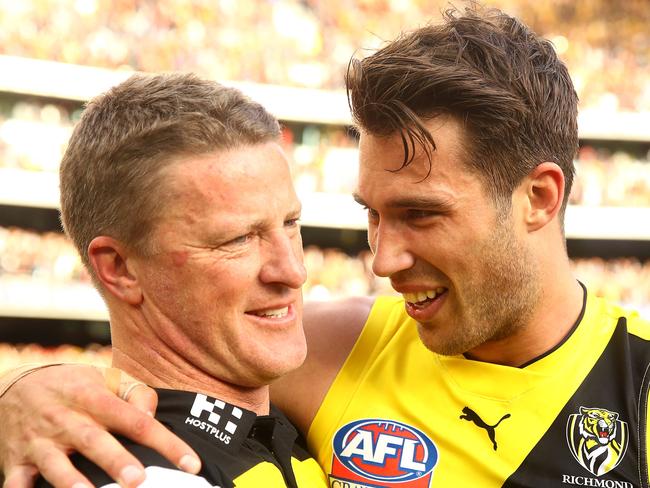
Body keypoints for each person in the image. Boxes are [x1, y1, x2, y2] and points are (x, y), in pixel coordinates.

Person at [2, 5, 649, 488]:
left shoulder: (636, 386)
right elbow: (169, 359)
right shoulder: (332, 349)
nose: (383, 259)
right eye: (372, 215)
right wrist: (22, 398)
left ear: (538, 198)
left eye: (420, 214)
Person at [1, 72, 327, 488]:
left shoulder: (292, 419)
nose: (293, 270)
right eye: (238, 239)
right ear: (119, 268)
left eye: (291, 223)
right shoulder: (139, 473)